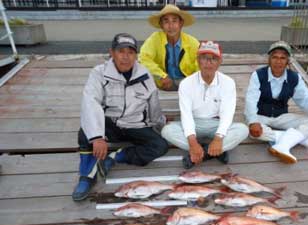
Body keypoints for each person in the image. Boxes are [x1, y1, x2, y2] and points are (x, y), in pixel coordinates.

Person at [72, 33, 169, 201]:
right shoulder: (98, 73)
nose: (126, 57)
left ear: (136, 55)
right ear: (112, 53)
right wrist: (97, 137)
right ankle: (87, 175)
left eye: (130, 52)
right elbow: (90, 102)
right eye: (121, 51)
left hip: (135, 125)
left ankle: (117, 156)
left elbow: (154, 106)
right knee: (84, 133)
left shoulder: (145, 74)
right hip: (110, 123)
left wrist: (162, 126)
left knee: (160, 146)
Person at [161, 40, 249, 169]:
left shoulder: (228, 82)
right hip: (194, 123)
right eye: (204, 58)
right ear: (198, 60)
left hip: (216, 124)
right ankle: (213, 152)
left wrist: (218, 138)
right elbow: (186, 115)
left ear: (220, 62)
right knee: (167, 131)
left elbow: (227, 113)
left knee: (243, 130)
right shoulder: (186, 83)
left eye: (213, 58)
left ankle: (203, 153)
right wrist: (192, 142)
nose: (208, 62)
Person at [244, 40, 308, 164]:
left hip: (281, 116)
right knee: (251, 131)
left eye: (283, 58)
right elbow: (251, 100)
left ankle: (281, 144)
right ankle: (293, 138)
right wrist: (253, 122)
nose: (278, 61)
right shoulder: (258, 75)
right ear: (269, 59)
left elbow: (306, 99)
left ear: (288, 61)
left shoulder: (294, 77)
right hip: (260, 116)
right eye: (275, 57)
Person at [139, 4, 199, 91]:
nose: (170, 26)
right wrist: (161, 76)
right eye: (166, 21)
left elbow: (200, 64)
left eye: (174, 21)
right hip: (162, 84)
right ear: (161, 24)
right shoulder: (155, 39)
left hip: (187, 83)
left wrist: (193, 81)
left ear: (181, 23)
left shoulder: (192, 42)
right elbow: (143, 59)